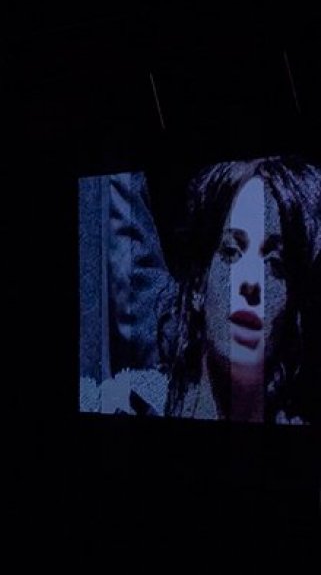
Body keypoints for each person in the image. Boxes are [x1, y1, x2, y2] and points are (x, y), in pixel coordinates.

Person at [81, 156, 321, 424]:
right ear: (198, 283)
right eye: (232, 251)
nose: (251, 281)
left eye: (275, 264)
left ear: (292, 306)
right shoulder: (144, 391)